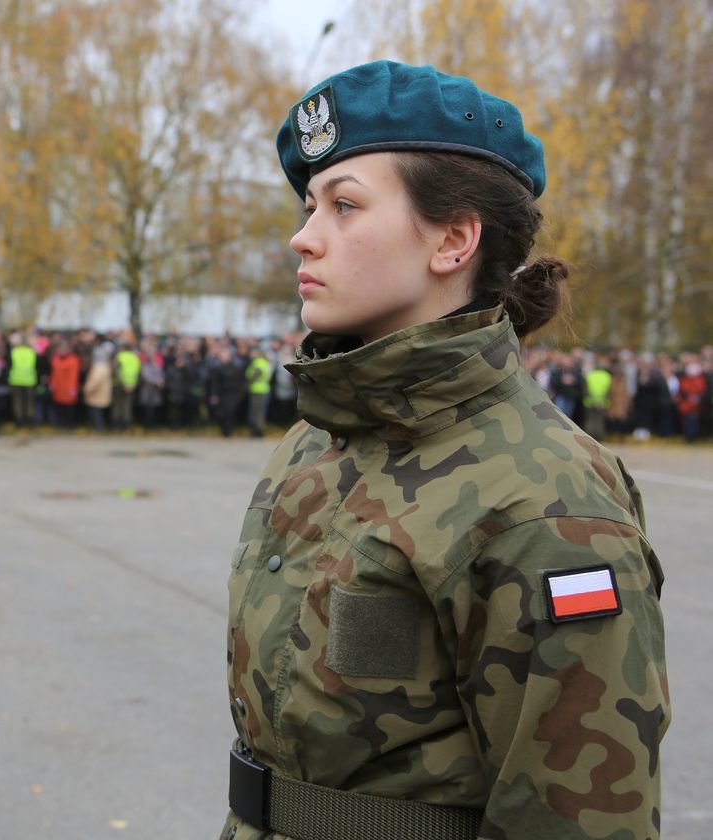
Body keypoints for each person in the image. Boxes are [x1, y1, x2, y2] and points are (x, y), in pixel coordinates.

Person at [222, 61, 667, 840]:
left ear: (455, 240)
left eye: (344, 205)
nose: (303, 235)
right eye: (308, 205)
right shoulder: (315, 441)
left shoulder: (547, 499)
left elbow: (577, 820)